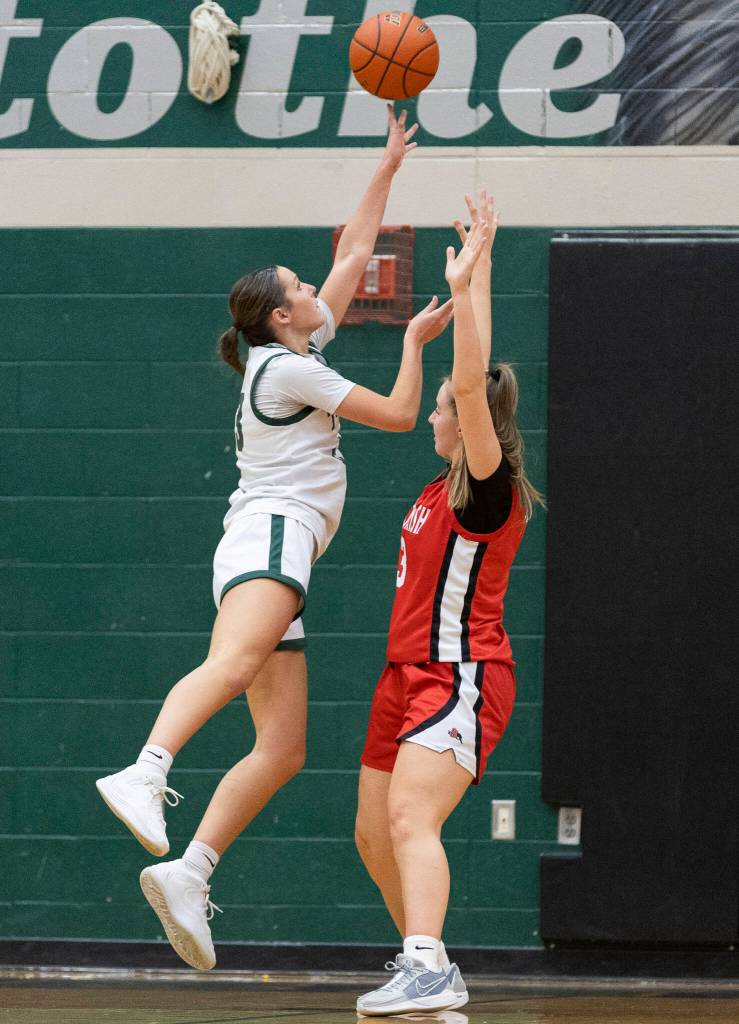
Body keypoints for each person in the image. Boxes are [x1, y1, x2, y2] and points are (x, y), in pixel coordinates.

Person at [95, 106, 454, 972]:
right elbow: (404, 415)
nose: (313, 289)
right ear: (280, 317)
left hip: (271, 541)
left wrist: (387, 168)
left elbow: (351, 255)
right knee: (230, 668)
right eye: (299, 286)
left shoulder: (292, 345)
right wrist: (409, 340)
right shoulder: (291, 366)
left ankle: (191, 870)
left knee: (284, 747)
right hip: (270, 536)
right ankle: (144, 769)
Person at [354, 194, 545, 1016]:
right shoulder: (439, 491)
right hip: (402, 675)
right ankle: (424, 964)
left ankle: (428, 964)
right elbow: (473, 379)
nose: (434, 411)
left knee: (409, 817)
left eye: (442, 409)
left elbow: (470, 380)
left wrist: (471, 288)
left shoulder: (486, 495)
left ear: (465, 428)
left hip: (460, 673)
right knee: (372, 834)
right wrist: (478, 269)